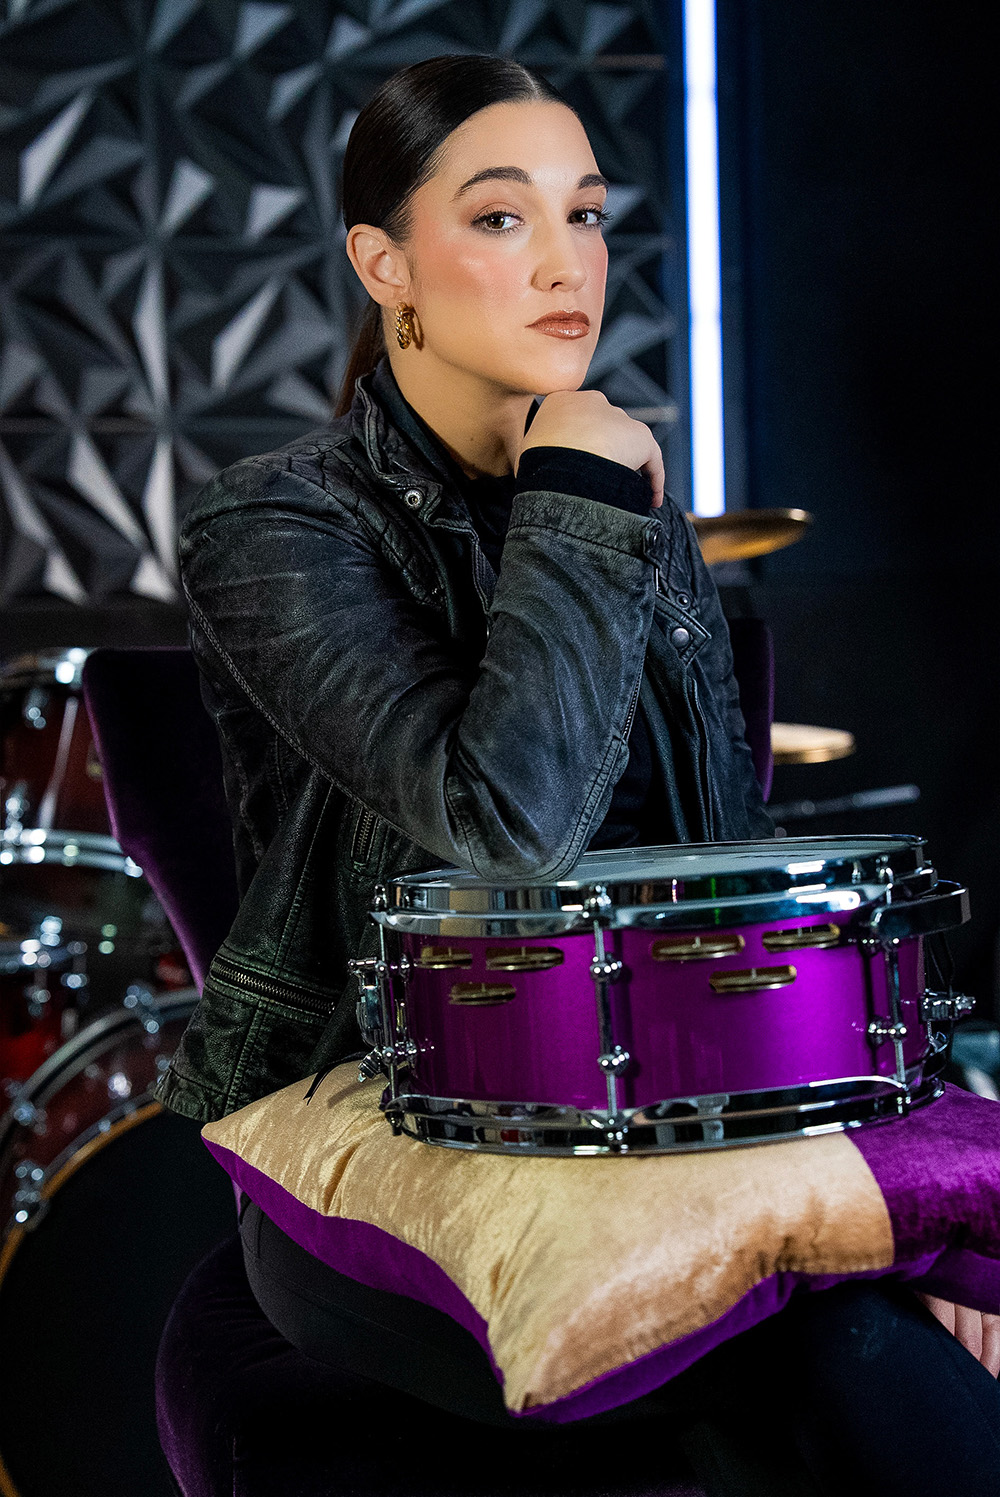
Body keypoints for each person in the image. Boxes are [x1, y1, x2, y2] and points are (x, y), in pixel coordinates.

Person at [155, 54, 1000, 1497]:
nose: (568, 262)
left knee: (865, 1334)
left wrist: (909, 1226)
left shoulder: (633, 513)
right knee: (828, 1356)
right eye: (501, 217)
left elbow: (730, 876)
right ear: (385, 264)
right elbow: (508, 824)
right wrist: (581, 494)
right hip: (405, 1120)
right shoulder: (276, 527)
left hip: (672, 1115)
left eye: (587, 213)